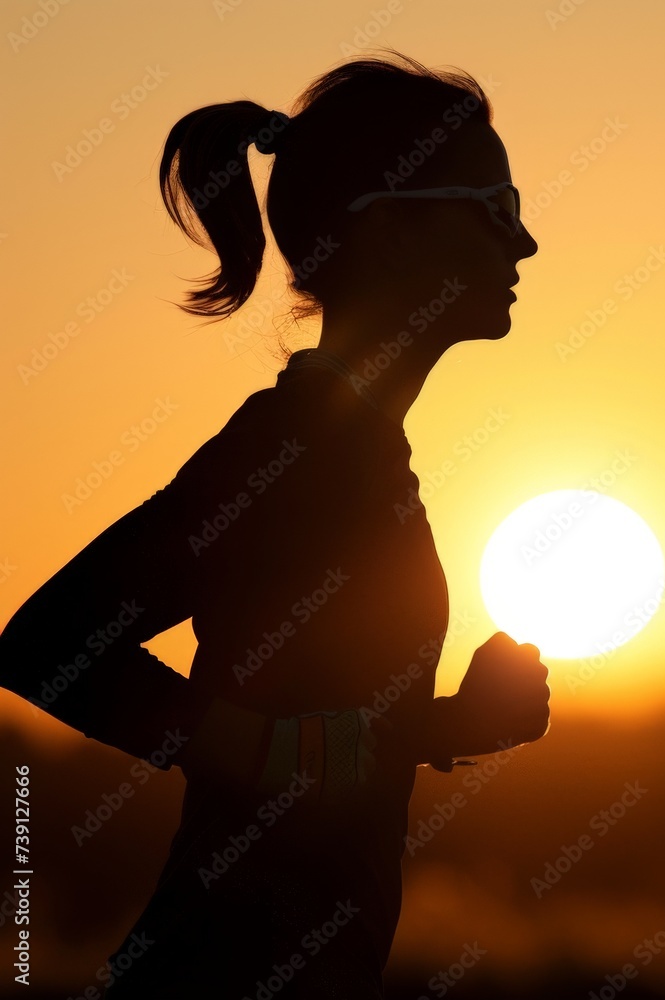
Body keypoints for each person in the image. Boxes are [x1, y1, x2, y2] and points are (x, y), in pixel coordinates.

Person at [0, 49, 549, 997]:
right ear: (386, 236)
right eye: (492, 210)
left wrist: (450, 723)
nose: (524, 243)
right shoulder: (294, 454)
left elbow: (318, 730)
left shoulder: (356, 455)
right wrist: (286, 748)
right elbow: (48, 644)